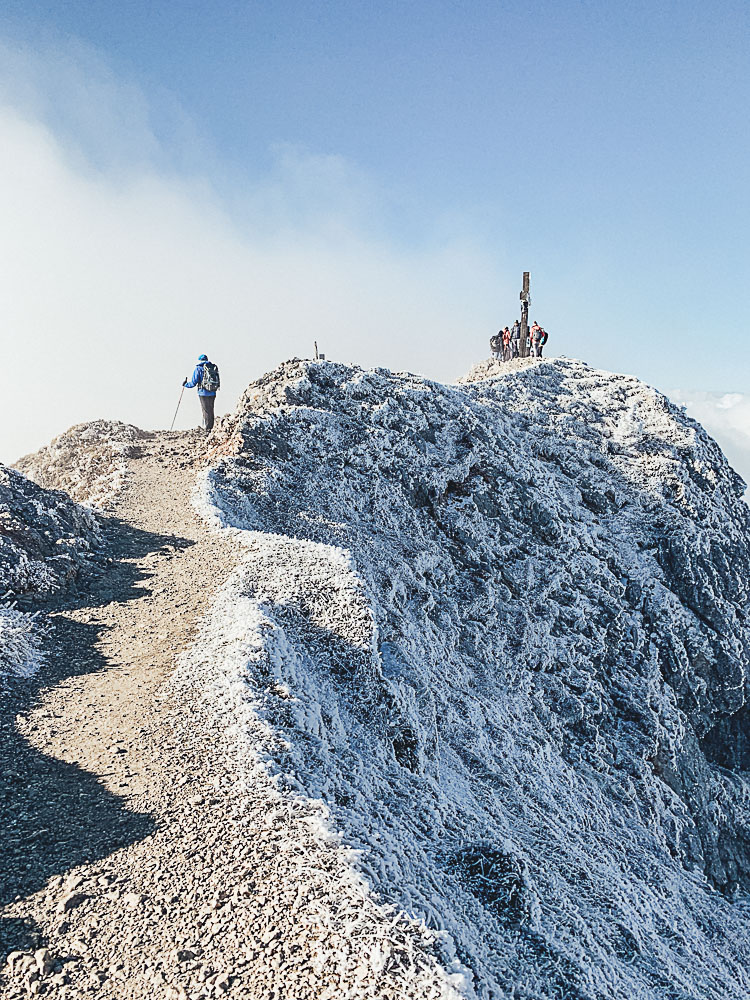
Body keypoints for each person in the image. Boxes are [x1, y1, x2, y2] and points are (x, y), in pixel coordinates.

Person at [183, 353, 220, 432]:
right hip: (213, 392)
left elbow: (193, 382)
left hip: (203, 392)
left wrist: (185, 384)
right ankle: (210, 427)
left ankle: (207, 429)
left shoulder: (198, 368)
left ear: (199, 360)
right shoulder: (212, 367)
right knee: (211, 409)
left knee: (205, 410)